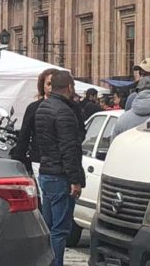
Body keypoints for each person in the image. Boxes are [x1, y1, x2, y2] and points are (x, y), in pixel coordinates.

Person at [34, 70, 85, 266]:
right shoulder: (64, 111)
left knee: (48, 226)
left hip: (46, 171)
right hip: (60, 175)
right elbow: (69, 148)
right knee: (60, 230)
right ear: (70, 87)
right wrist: (75, 179)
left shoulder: (43, 107)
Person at [11, 68, 59, 175]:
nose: (52, 88)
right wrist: (17, 161)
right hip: (39, 160)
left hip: (63, 162)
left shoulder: (70, 107)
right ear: (43, 86)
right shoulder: (33, 108)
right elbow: (24, 136)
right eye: (49, 84)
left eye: (55, 84)